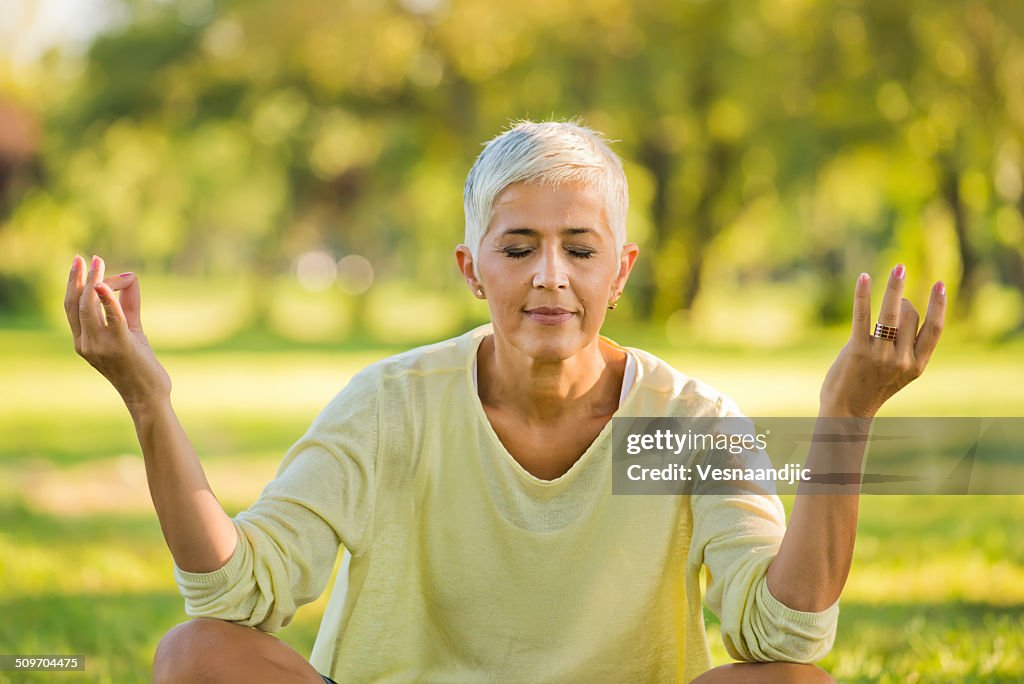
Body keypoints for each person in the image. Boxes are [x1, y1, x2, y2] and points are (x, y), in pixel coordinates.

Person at [65, 120, 945, 683]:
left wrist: (846, 420)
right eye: (518, 246)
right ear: (471, 268)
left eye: (580, 248)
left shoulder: (686, 425)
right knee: (195, 655)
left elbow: (783, 640)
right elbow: (236, 598)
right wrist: (149, 400)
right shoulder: (390, 406)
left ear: (622, 271)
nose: (550, 277)